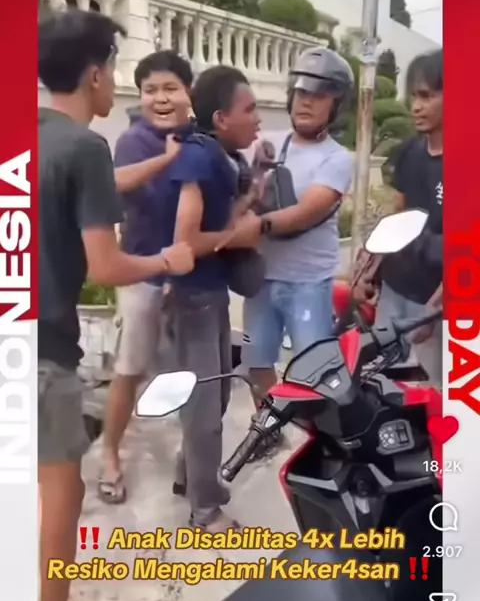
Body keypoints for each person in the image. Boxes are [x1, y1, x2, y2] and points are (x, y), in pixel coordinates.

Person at [38, 10, 194, 601]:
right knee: (60, 489)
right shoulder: (86, 147)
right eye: (115, 69)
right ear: (96, 74)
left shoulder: (28, 135)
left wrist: (162, 161)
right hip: (40, 349)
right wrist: (166, 260)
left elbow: (88, 191)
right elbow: (105, 265)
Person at [239, 47, 354, 453]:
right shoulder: (266, 144)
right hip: (262, 278)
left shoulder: (337, 159)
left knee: (314, 372)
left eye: (319, 95)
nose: (306, 101)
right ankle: (269, 428)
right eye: (302, 92)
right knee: (256, 362)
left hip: (308, 283)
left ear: (336, 105)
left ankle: (322, 445)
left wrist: (255, 225)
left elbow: (307, 213)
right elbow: (238, 188)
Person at [167, 65, 262, 532]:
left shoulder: (219, 157)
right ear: (222, 118)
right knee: (206, 409)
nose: (258, 119)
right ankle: (204, 512)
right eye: (250, 110)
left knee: (216, 396)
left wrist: (251, 198)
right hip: (193, 300)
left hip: (210, 295)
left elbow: (219, 222)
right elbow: (186, 241)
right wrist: (238, 236)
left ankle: (190, 477)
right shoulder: (200, 159)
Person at [98, 50, 195, 503]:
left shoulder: (199, 139)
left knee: (190, 372)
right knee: (130, 369)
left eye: (170, 88)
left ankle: (190, 457)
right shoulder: (134, 141)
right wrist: (167, 159)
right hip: (141, 271)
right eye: (150, 90)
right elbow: (116, 183)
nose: (160, 98)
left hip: (190, 274)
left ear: (188, 92)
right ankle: (110, 453)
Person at [356, 49, 443, 386]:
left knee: (433, 396)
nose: (416, 106)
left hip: (436, 304)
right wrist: (369, 268)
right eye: (414, 97)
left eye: (427, 96)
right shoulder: (410, 151)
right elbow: (398, 215)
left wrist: (435, 310)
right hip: (395, 290)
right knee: (384, 385)